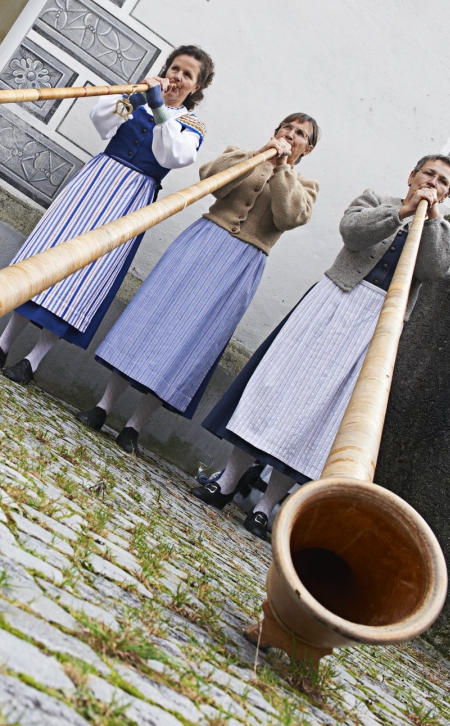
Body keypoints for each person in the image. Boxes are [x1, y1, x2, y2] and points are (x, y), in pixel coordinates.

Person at [193, 154, 450, 539]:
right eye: (428, 174)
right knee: (276, 387)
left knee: (317, 413)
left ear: (447, 194)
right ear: (412, 176)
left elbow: (432, 268)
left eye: (443, 181)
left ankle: (266, 508)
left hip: (377, 324)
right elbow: (353, 232)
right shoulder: (376, 200)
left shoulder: (443, 234)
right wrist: (401, 211)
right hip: (333, 300)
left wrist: (427, 220)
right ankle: (226, 482)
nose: (433, 182)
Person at [75, 113, 320, 453]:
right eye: (287, 128)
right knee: (151, 318)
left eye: (300, 134)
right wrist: (259, 155)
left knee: (188, 340)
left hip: (241, 262)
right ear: (275, 130)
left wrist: (282, 169)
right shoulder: (243, 153)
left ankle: (134, 426)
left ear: (307, 148)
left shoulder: (304, 187)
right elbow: (211, 182)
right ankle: (103, 406)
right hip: (203, 241)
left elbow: (288, 216)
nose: (291, 135)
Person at [0, 45, 214, 384]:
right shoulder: (137, 94)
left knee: (87, 271)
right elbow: (101, 121)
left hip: (132, 197)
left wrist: (159, 105)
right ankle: (4, 342)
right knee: (48, 253)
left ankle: (32, 361)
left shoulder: (190, 125)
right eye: (175, 68)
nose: (177, 77)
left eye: (187, 75)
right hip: (97, 179)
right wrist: (137, 96)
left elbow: (171, 154)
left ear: (197, 87)